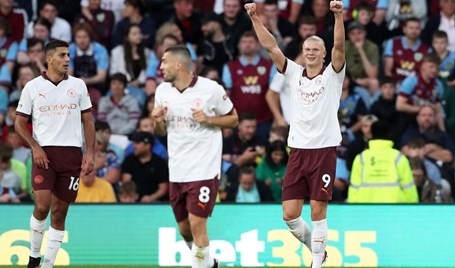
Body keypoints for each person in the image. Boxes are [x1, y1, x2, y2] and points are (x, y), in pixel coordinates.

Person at [245, 1, 345, 266]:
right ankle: (318, 250)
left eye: (316, 49)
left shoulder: (332, 76)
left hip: (323, 150)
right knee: (289, 215)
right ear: (302, 52)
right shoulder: (293, 73)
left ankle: (317, 262)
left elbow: (340, 47)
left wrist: (338, 16)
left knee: (317, 210)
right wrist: (255, 18)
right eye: (307, 49)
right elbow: (270, 46)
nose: (311, 53)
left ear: (324, 54)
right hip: (297, 151)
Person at [151, 45, 238, 268]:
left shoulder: (211, 89)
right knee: (184, 228)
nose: (160, 67)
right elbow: (161, 132)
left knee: (198, 224)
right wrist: (157, 121)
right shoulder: (162, 92)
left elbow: (233, 119)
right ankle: (207, 263)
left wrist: (209, 119)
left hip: (204, 169)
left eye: (164, 62)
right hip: (178, 169)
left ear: (178, 64)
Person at [15, 39, 95, 268]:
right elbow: (19, 123)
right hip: (44, 155)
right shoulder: (32, 87)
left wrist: (89, 153)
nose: (67, 59)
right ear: (49, 59)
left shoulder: (79, 85)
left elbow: (88, 122)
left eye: (68, 55)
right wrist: (35, 146)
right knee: (42, 206)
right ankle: (33, 257)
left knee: (59, 213)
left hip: (71, 156)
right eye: (62, 55)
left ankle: (47, 264)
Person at [348, 120, 419, 203]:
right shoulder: (399, 157)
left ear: (371, 134)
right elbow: (409, 188)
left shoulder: (361, 158)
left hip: (366, 210)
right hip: (394, 209)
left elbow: (353, 189)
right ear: (389, 134)